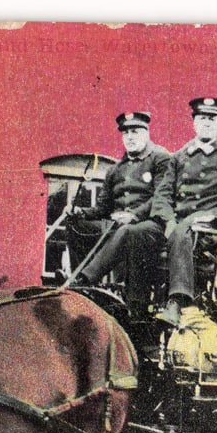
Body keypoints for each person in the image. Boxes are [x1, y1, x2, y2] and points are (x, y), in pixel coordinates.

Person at [156, 97, 217, 326]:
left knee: (183, 229)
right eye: (202, 118)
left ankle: (177, 301)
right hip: (178, 227)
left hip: (211, 232)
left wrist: (213, 214)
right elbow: (162, 195)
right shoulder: (180, 156)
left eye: (212, 118)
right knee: (139, 233)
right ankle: (134, 303)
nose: (207, 123)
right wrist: (167, 220)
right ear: (194, 122)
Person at [66, 112, 172, 312]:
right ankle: (81, 283)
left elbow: (161, 197)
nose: (130, 137)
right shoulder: (116, 169)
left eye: (135, 132)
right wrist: (80, 212)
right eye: (126, 133)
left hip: (151, 226)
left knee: (127, 231)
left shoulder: (160, 158)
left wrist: (134, 215)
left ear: (146, 133)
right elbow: (103, 208)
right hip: (117, 227)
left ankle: (86, 279)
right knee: (76, 224)